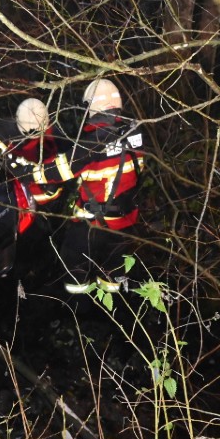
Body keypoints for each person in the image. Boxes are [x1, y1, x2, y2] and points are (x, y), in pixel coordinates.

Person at [48, 78, 145, 290]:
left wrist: (19, 166)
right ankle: (110, 313)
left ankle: (78, 314)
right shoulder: (135, 131)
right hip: (126, 222)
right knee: (113, 276)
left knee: (75, 275)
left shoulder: (91, 143)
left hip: (91, 226)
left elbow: (53, 173)